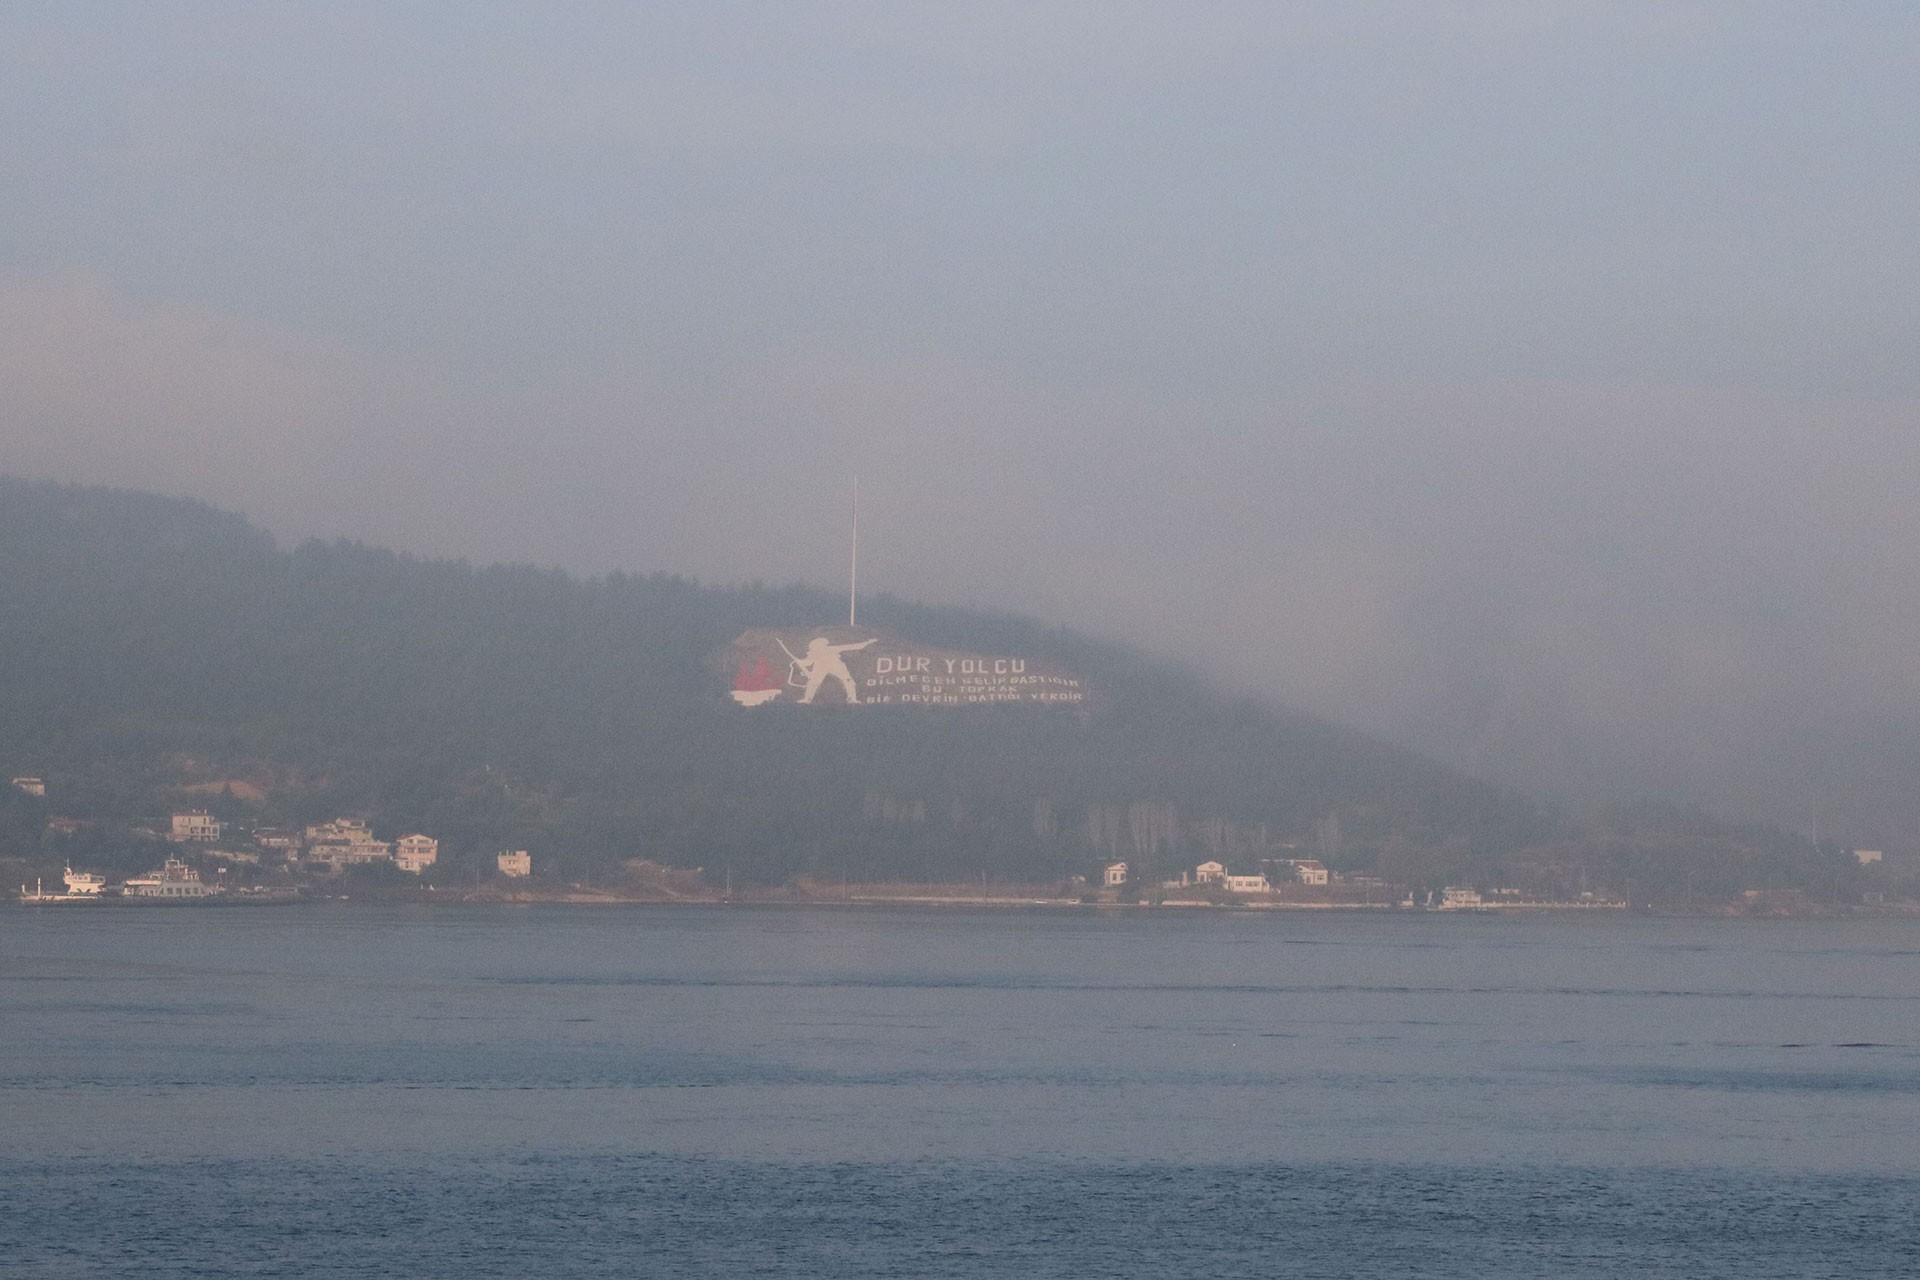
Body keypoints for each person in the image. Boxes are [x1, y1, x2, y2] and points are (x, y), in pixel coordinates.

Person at [790, 635, 875, 704]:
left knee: (848, 680)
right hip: (821, 667)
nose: (819, 647)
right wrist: (800, 662)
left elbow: (852, 646)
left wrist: (867, 643)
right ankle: (807, 699)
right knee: (813, 683)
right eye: (816, 645)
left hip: (836, 666)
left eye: (820, 644)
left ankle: (852, 698)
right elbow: (807, 663)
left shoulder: (832, 649)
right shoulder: (814, 653)